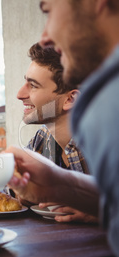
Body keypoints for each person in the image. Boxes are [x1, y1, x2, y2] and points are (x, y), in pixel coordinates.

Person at [7, 0, 119, 257]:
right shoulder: (40, 142)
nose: (46, 34)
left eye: (48, 11)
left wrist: (102, 210)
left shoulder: (107, 114)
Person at [17, 43, 97, 223]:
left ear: (70, 99)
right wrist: (21, 195)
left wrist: (102, 211)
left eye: (33, 85)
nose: (20, 94)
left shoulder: (107, 140)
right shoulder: (42, 140)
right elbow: (9, 195)